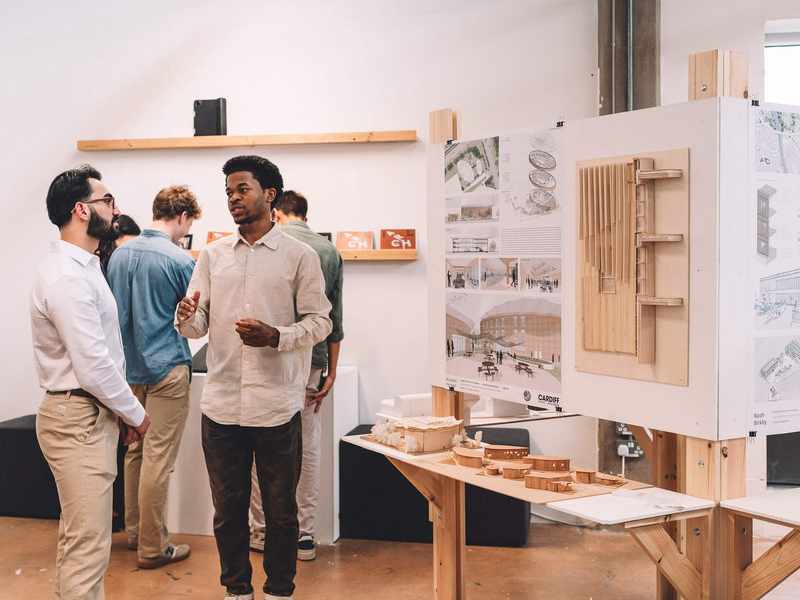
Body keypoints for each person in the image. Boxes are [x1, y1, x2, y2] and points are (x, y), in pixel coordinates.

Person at [176, 156, 332, 600]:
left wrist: (275, 336)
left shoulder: (300, 256)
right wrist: (185, 316)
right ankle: (237, 591)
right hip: (221, 406)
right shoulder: (213, 255)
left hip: (276, 405)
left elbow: (321, 322)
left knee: (282, 513)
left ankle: (280, 590)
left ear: (269, 195)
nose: (233, 199)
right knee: (228, 512)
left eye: (242, 189)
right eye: (228, 192)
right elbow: (195, 325)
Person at [31, 165, 150, 600]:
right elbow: (93, 364)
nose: (114, 209)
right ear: (82, 210)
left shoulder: (85, 266)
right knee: (87, 546)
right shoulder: (67, 275)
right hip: (76, 415)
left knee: (85, 540)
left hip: (86, 412)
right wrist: (135, 413)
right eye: (107, 201)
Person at [107, 185, 202, 569]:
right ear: (181, 217)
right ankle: (152, 546)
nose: (187, 229)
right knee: (158, 459)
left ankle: (134, 533)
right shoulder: (179, 260)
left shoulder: (117, 256)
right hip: (166, 367)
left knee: (135, 451)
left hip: (129, 371)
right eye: (189, 222)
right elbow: (195, 318)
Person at [247, 190, 344, 560]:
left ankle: (261, 531)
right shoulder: (328, 250)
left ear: (277, 211)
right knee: (307, 445)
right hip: (313, 359)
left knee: (259, 446)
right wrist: (332, 370)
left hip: (267, 357)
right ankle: (304, 534)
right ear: (304, 213)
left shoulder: (272, 245)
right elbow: (334, 319)